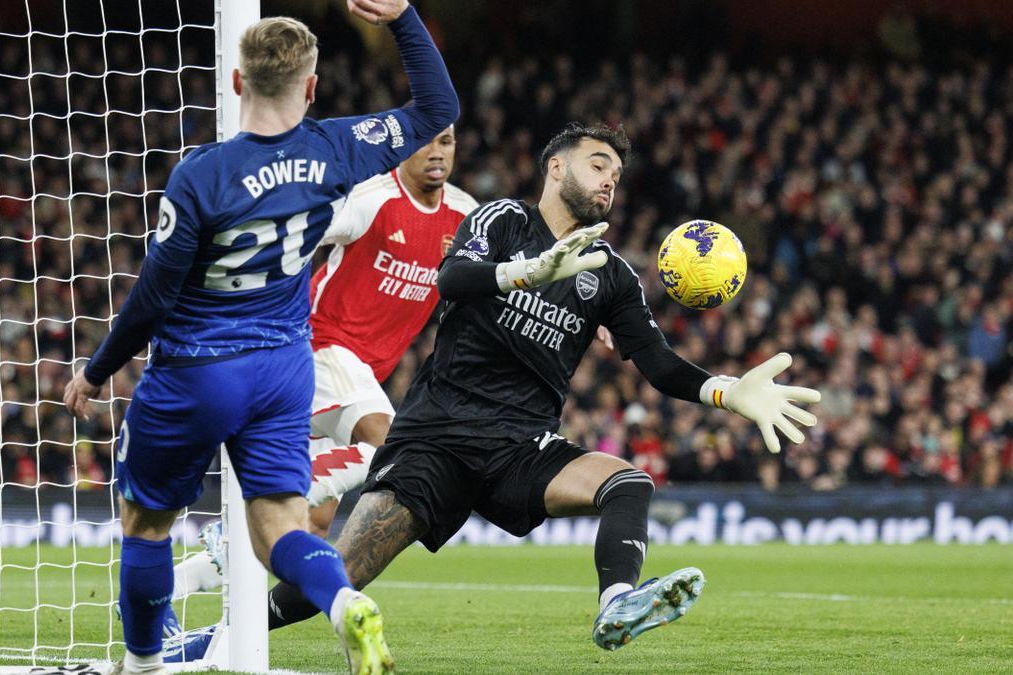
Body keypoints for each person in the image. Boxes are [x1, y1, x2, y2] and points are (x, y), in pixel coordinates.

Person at [260, 122, 822, 651]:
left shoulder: (610, 274)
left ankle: (618, 604)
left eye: (616, 176)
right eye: (598, 164)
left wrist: (726, 391)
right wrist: (529, 272)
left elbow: (658, 364)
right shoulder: (501, 220)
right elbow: (451, 278)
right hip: (436, 438)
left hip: (520, 447)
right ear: (555, 167)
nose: (608, 180)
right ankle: (217, 635)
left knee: (628, 483)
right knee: (336, 576)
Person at [62, 0, 458, 672]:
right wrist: (403, 17)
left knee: (147, 522)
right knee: (277, 525)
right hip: (281, 369)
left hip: (197, 367)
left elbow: (155, 296)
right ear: (310, 87)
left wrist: (97, 371)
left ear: (239, 84)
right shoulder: (335, 148)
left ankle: (144, 665)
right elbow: (435, 105)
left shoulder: (201, 174)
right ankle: (340, 603)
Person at [161, 128, 477, 658]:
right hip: (319, 348)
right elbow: (305, 225)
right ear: (405, 147)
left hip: (355, 374)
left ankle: (165, 594)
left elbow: (503, 269)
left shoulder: (465, 217)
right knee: (397, 446)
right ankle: (236, 520)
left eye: (448, 141)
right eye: (427, 141)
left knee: (309, 525)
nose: (439, 151)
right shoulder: (371, 200)